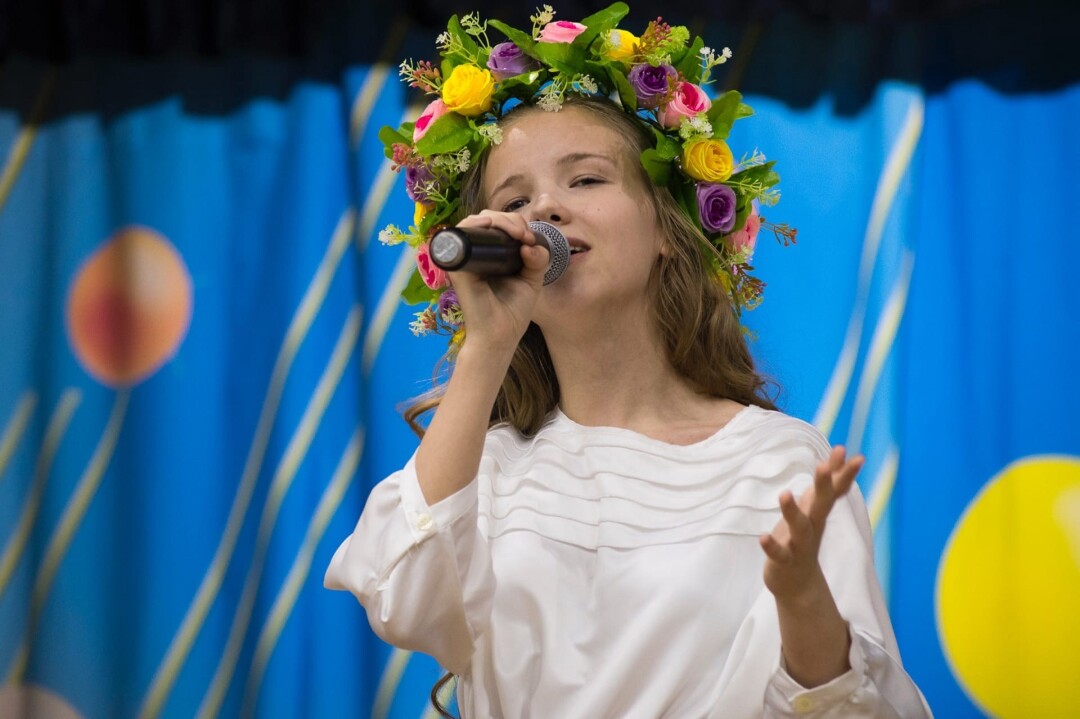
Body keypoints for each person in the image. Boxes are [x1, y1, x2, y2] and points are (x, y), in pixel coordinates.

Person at [325, 5, 932, 717]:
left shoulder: (782, 464)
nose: (547, 206)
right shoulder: (482, 471)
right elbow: (399, 597)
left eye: (585, 180)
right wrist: (488, 343)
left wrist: (802, 600)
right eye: (516, 199)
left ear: (669, 230)